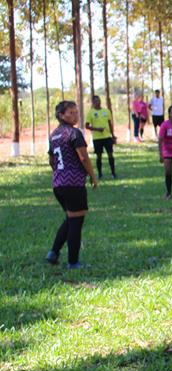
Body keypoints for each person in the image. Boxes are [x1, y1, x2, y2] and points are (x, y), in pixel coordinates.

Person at [45, 100, 98, 269]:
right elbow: (83, 157)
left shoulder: (54, 135)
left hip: (58, 184)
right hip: (74, 184)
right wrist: (93, 175)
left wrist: (60, 173)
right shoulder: (74, 133)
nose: (75, 115)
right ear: (61, 115)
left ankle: (53, 253)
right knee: (76, 222)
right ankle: (73, 262)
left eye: (76, 112)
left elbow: (51, 160)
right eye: (71, 112)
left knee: (70, 218)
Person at [84, 95, 117, 179]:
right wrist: (97, 129)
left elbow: (110, 123)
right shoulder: (91, 113)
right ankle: (100, 174)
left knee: (110, 155)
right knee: (99, 156)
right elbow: (87, 126)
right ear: (93, 103)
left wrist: (112, 135)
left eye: (98, 101)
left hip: (107, 137)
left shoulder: (106, 111)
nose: (97, 102)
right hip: (97, 138)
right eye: (95, 101)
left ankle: (113, 173)